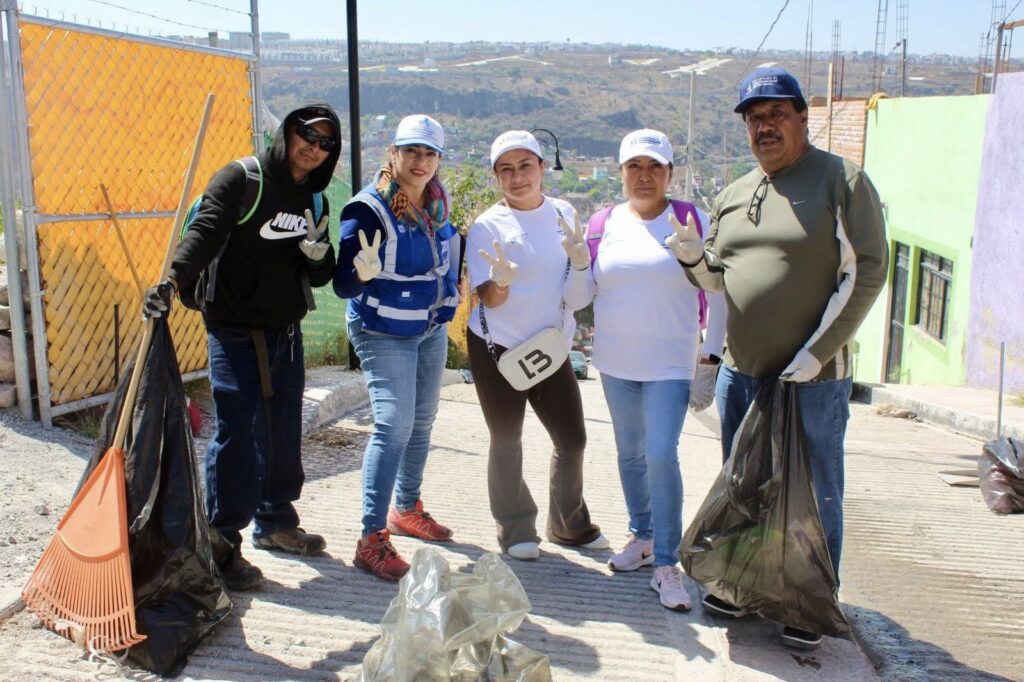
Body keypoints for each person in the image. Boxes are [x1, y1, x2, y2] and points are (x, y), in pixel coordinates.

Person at [666, 67, 887, 648]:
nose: (765, 126)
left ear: (801, 117)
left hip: (813, 379)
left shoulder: (842, 181)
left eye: (776, 114)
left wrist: (819, 353)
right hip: (742, 372)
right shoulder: (735, 193)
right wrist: (692, 259)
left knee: (814, 491)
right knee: (744, 483)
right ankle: (742, 587)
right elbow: (719, 279)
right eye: (754, 118)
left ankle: (808, 602)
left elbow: (866, 272)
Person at [143, 103, 342, 591]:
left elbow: (320, 275)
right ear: (287, 132)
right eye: (307, 136)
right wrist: (171, 281)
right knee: (237, 434)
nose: (313, 149)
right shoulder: (241, 180)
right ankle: (221, 542)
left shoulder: (315, 200)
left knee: (281, 431)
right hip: (232, 331)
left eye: (325, 144)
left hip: (285, 333)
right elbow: (204, 234)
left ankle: (275, 522)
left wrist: (321, 255)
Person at [579, 129, 726, 611]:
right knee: (630, 455)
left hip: (670, 364)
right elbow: (583, 295)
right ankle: (641, 537)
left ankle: (667, 562)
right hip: (616, 362)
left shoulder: (691, 219)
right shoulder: (603, 224)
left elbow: (718, 289)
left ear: (669, 173)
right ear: (621, 172)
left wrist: (711, 356)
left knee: (661, 454)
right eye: (634, 167)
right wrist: (578, 265)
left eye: (655, 168)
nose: (644, 177)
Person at [465, 130, 608, 561]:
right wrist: (502, 284)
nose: (517, 176)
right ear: (496, 176)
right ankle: (515, 527)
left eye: (525, 165)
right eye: (505, 169)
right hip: (499, 349)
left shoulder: (564, 213)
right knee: (506, 439)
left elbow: (578, 297)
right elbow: (488, 297)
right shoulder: (487, 226)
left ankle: (568, 524)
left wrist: (582, 262)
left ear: (543, 168)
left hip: (550, 348)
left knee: (573, 439)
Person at [333, 115, 460, 581]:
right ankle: (370, 538)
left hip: (429, 328)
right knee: (394, 425)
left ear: (438, 159)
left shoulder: (438, 205)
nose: (420, 161)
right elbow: (342, 283)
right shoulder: (369, 209)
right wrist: (359, 272)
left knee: (422, 421)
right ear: (393, 153)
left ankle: (406, 509)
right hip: (383, 330)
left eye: (429, 153)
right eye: (411, 152)